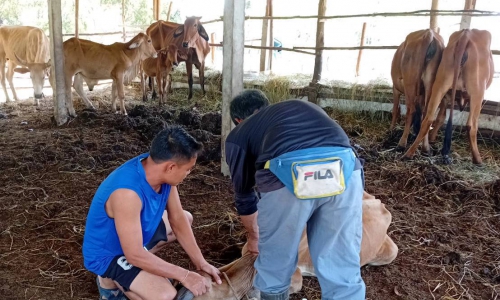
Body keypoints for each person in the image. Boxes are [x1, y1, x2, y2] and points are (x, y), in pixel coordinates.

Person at [225, 89, 366, 300]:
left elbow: (244, 196)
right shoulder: (302, 109)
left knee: (276, 261)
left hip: (288, 172)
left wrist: (255, 237)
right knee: (341, 262)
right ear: (267, 106)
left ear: (238, 119)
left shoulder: (238, 134)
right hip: (346, 170)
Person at [83, 126, 222, 300]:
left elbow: (178, 219)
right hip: (109, 253)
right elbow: (133, 254)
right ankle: (110, 284)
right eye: (188, 169)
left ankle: (135, 273)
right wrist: (185, 275)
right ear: (171, 167)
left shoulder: (157, 170)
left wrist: (201, 263)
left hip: (133, 238)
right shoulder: (127, 194)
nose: (188, 174)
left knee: (186, 218)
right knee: (165, 295)